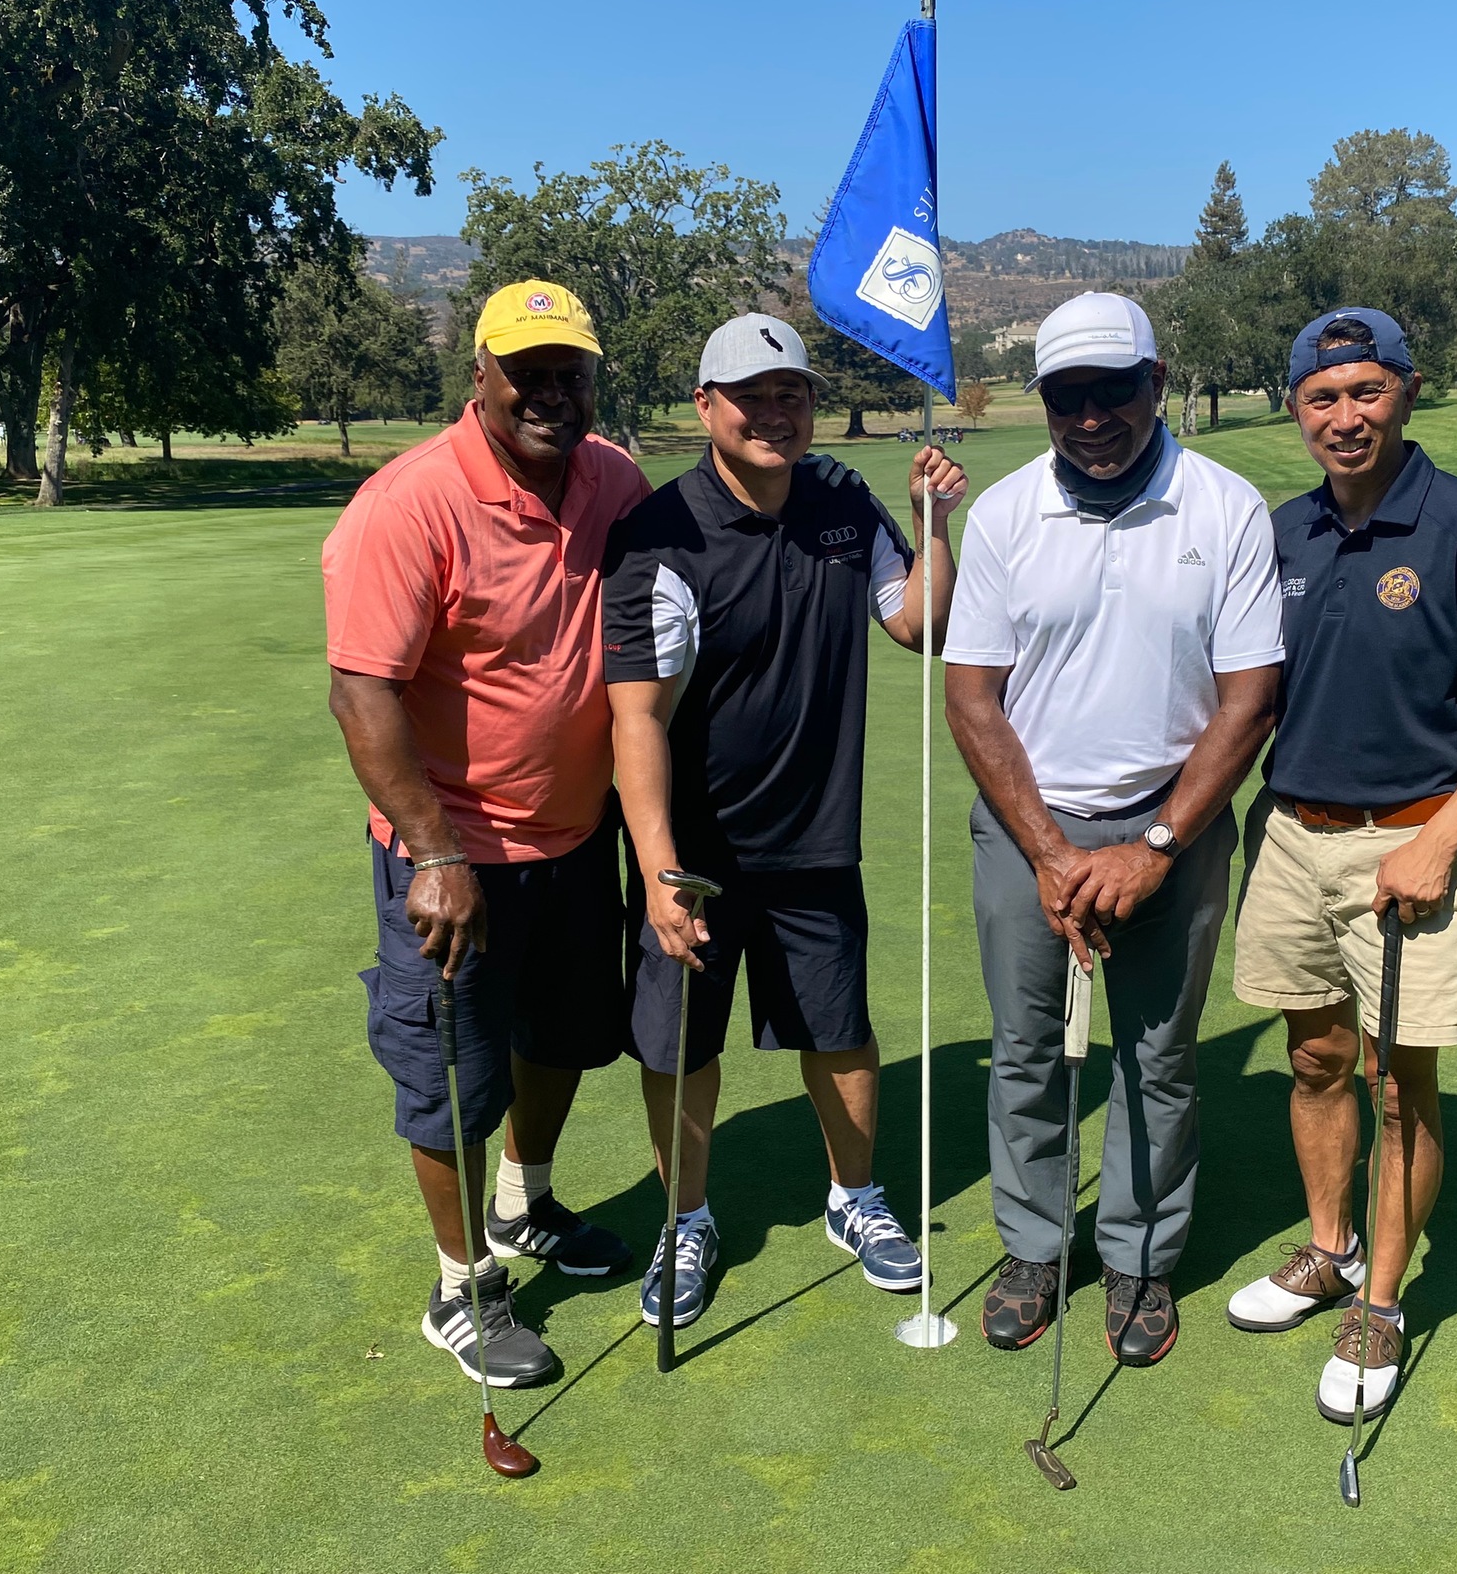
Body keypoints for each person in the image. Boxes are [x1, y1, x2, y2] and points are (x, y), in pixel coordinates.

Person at [602, 313, 966, 1331]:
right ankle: (688, 1219)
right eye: (751, 396)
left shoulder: (843, 501)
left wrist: (934, 526)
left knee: (839, 1031)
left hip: (816, 837)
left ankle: (856, 1201)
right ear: (706, 407)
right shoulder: (662, 533)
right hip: (701, 854)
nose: (775, 413)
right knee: (680, 1049)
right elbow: (636, 720)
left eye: (792, 394)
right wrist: (663, 871)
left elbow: (920, 625)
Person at [1224, 307, 1457, 1426]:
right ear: (1296, 410)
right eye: (1324, 398)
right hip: (1290, 837)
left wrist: (1440, 841)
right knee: (1315, 1058)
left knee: (1400, 1085)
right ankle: (1328, 1248)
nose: (1346, 416)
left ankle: (1381, 1299)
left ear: (1407, 392)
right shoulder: (1282, 532)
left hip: (1412, 842)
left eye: (1367, 391)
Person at [943, 292, 1283, 1367]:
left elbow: (1251, 697)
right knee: (1028, 1054)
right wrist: (1048, 850)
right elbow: (971, 697)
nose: (1091, 418)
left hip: (1172, 825)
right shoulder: (1003, 515)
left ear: (1158, 382)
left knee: (1156, 1057)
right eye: (1067, 398)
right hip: (1027, 824)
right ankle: (1034, 1246)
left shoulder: (1224, 508)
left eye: (1113, 392)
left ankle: (1139, 1258)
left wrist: (1156, 847)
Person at [322, 281, 647, 1390]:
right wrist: (435, 851)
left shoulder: (614, 480)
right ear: (481, 377)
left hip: (572, 836)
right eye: (529, 373)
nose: (553, 393)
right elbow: (362, 696)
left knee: (559, 1040)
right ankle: (461, 1284)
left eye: (572, 372)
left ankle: (528, 1200)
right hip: (455, 857)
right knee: (452, 1076)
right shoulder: (407, 503)